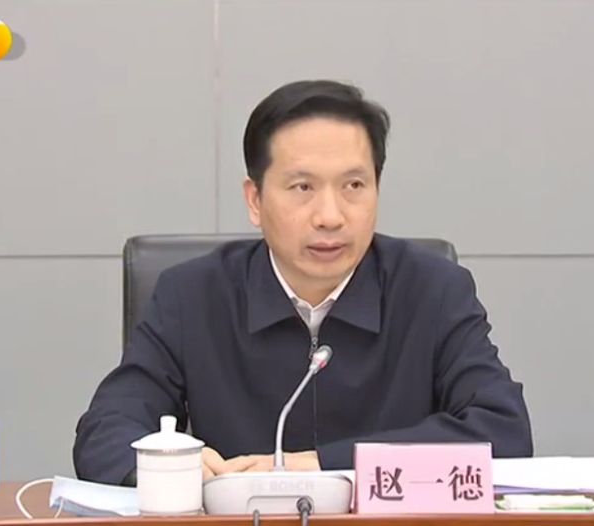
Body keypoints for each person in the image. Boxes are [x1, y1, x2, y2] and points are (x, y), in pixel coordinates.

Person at [73, 79, 533, 486]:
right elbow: (106, 431)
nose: (330, 217)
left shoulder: (433, 290)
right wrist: (172, 468)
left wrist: (323, 466)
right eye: (303, 188)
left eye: (354, 186)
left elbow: (504, 432)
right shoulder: (192, 296)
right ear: (255, 200)